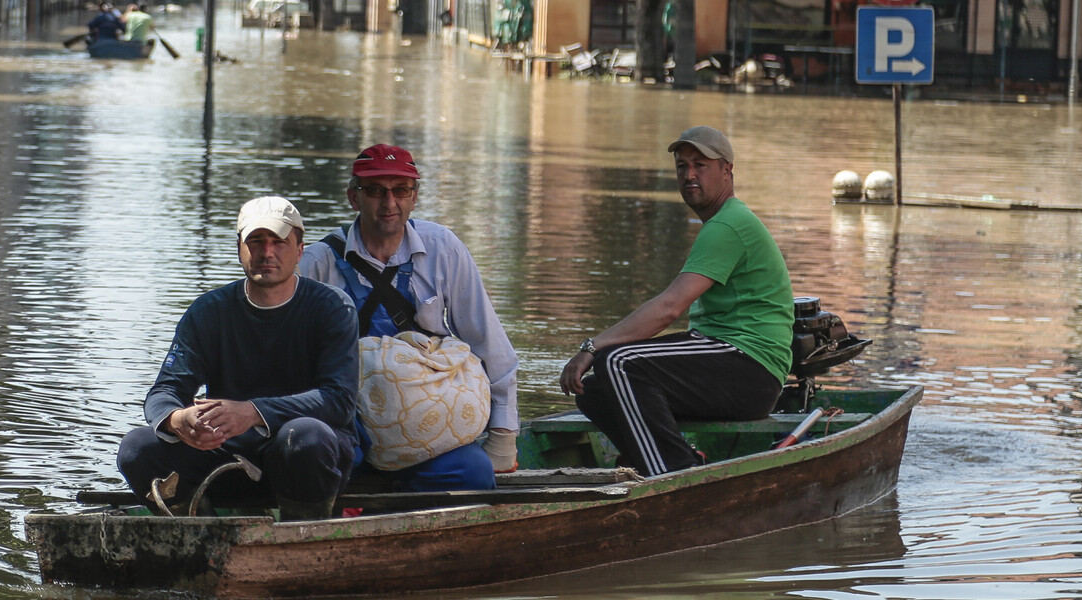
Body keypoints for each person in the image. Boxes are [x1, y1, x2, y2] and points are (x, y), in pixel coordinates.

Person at [558, 126, 794, 477]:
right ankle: (672, 457)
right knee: (594, 391)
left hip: (750, 369)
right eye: (682, 166)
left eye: (701, 165)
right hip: (732, 362)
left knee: (618, 362)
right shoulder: (720, 223)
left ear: (727, 171)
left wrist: (592, 347)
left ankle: (672, 473)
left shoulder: (728, 225)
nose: (690, 175)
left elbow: (669, 308)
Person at [116, 196, 360, 521]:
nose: (267, 253)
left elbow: (339, 401)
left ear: (300, 250)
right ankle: (197, 531)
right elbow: (165, 391)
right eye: (256, 241)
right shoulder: (208, 311)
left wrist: (253, 412)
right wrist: (180, 420)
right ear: (239, 248)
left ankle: (302, 535)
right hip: (227, 455)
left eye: (279, 242)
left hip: (305, 459)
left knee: (304, 437)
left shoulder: (332, 308)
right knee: (137, 448)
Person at [298, 144, 520, 493]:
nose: (389, 204)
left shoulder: (443, 248)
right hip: (349, 422)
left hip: (429, 426)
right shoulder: (317, 263)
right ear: (353, 198)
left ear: (414, 197)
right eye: (375, 191)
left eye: (400, 190)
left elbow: (487, 342)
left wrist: (503, 434)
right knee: (321, 461)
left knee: (475, 474)